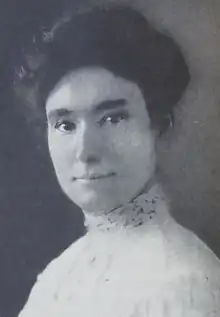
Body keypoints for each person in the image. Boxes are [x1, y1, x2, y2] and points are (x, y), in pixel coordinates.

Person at [14, 4, 220, 316]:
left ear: (158, 123)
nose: (86, 150)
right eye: (65, 125)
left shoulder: (181, 285)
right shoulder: (60, 274)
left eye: (112, 119)